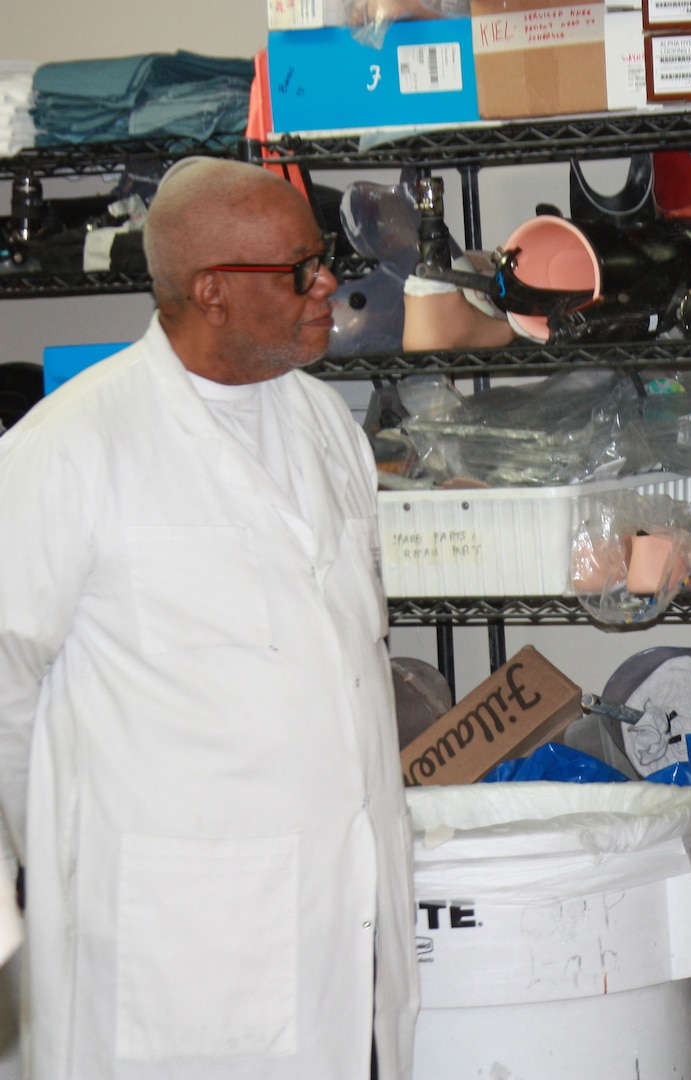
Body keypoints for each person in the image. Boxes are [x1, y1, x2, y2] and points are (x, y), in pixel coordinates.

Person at [0, 158, 418, 1079]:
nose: (328, 286)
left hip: (349, 926)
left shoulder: (327, 429)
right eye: (297, 269)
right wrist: (56, 856)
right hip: (171, 950)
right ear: (212, 293)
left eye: (324, 259)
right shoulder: (67, 452)